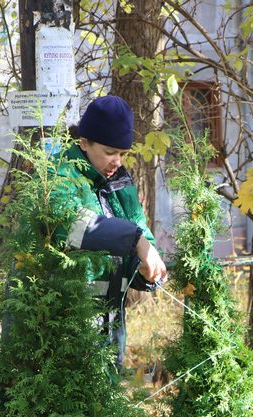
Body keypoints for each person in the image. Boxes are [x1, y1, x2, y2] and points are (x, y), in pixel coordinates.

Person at [50, 95, 167, 369]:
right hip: (62, 321)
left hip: (111, 322)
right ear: (84, 142)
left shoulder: (122, 184)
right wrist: (135, 240)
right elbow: (69, 224)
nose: (117, 161)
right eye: (110, 152)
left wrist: (144, 269)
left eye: (123, 153)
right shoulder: (60, 174)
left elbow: (140, 227)